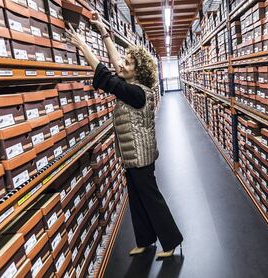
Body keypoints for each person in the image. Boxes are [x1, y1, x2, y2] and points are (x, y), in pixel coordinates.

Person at [66, 12, 183, 259]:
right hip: (134, 156)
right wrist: (104, 32)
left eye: (129, 64)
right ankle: (145, 240)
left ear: (137, 73)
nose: (122, 65)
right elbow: (115, 62)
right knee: (137, 198)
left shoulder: (136, 94)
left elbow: (106, 76)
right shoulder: (134, 88)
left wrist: (84, 45)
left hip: (140, 156)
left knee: (150, 198)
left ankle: (171, 241)